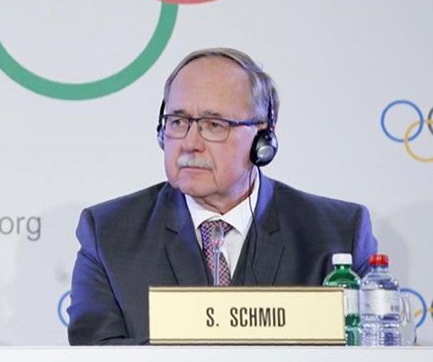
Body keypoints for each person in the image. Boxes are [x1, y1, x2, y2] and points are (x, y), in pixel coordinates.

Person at [67, 47, 377, 345]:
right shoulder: (107, 234)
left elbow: (373, 349)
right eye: (178, 122)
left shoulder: (337, 233)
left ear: (263, 136)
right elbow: (95, 351)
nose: (190, 143)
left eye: (214, 125)